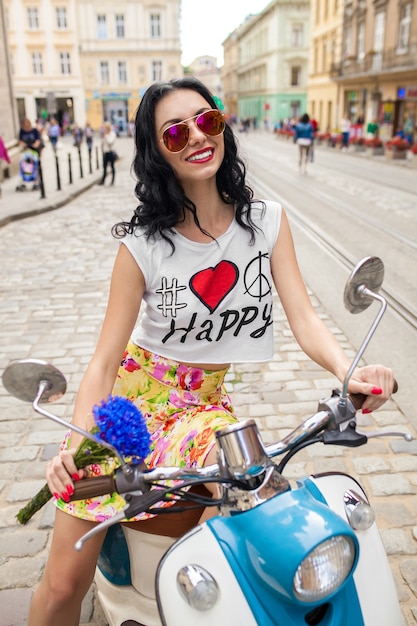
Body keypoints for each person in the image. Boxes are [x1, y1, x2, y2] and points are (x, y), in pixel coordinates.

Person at [28, 77, 395, 626]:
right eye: (176, 132)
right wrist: (78, 441)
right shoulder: (143, 245)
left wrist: (351, 373)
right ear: (159, 152)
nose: (197, 137)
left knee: (250, 491)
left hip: (202, 412)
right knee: (62, 586)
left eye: (208, 120)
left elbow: (304, 317)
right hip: (130, 409)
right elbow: (104, 361)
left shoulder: (267, 222)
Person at [19, 118, 43, 190]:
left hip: (34, 151)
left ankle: (36, 181)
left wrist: (35, 144)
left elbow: (38, 140)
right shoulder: (22, 131)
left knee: (35, 165)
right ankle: (23, 181)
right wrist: (23, 144)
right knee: (23, 165)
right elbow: (20, 140)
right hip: (26, 151)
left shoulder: (34, 130)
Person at [98, 121, 117, 186]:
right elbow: (102, 144)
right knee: (104, 167)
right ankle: (103, 180)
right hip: (106, 152)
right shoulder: (105, 135)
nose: (105, 129)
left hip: (111, 152)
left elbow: (110, 142)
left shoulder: (112, 134)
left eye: (106, 127)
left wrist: (105, 136)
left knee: (112, 167)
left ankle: (112, 180)